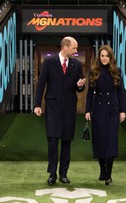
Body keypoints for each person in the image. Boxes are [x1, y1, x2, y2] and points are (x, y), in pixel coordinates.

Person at [34, 36, 86, 186]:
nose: (76, 51)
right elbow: (41, 84)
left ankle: (63, 174)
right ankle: (52, 174)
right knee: (52, 140)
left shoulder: (76, 64)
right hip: (52, 108)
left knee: (66, 142)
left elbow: (79, 88)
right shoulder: (49, 62)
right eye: (74, 48)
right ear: (65, 47)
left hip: (69, 108)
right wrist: (37, 104)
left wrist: (81, 85)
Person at [85, 45, 126, 185]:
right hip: (98, 111)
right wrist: (87, 110)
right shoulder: (94, 71)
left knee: (111, 142)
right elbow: (90, 94)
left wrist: (122, 111)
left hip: (112, 111)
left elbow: (120, 92)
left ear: (111, 57)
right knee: (100, 142)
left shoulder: (116, 71)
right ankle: (102, 169)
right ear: (99, 57)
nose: (104, 58)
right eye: (102, 55)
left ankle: (108, 173)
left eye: (107, 56)